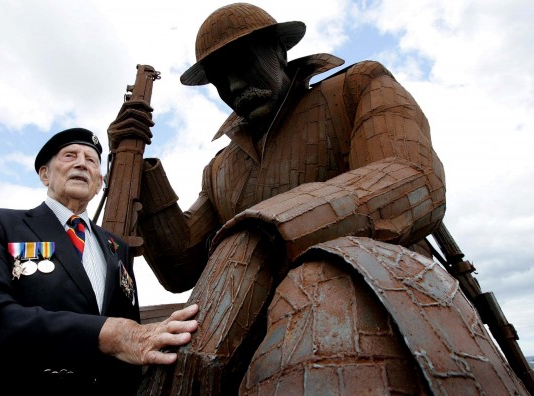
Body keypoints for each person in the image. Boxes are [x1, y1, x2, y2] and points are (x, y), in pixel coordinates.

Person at [110, 3, 528, 395]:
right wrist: (138, 170)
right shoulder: (221, 167)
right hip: (249, 331)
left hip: (378, 293)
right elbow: (182, 268)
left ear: (278, 49)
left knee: (321, 295)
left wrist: (260, 235)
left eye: (242, 64)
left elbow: (413, 178)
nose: (235, 85)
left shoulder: (355, 87)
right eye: (220, 78)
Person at [0, 128, 199, 396]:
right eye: (70, 155)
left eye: (91, 160)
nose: (82, 163)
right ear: (45, 174)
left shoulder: (118, 249)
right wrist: (108, 334)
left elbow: (129, 350)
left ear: (99, 183)